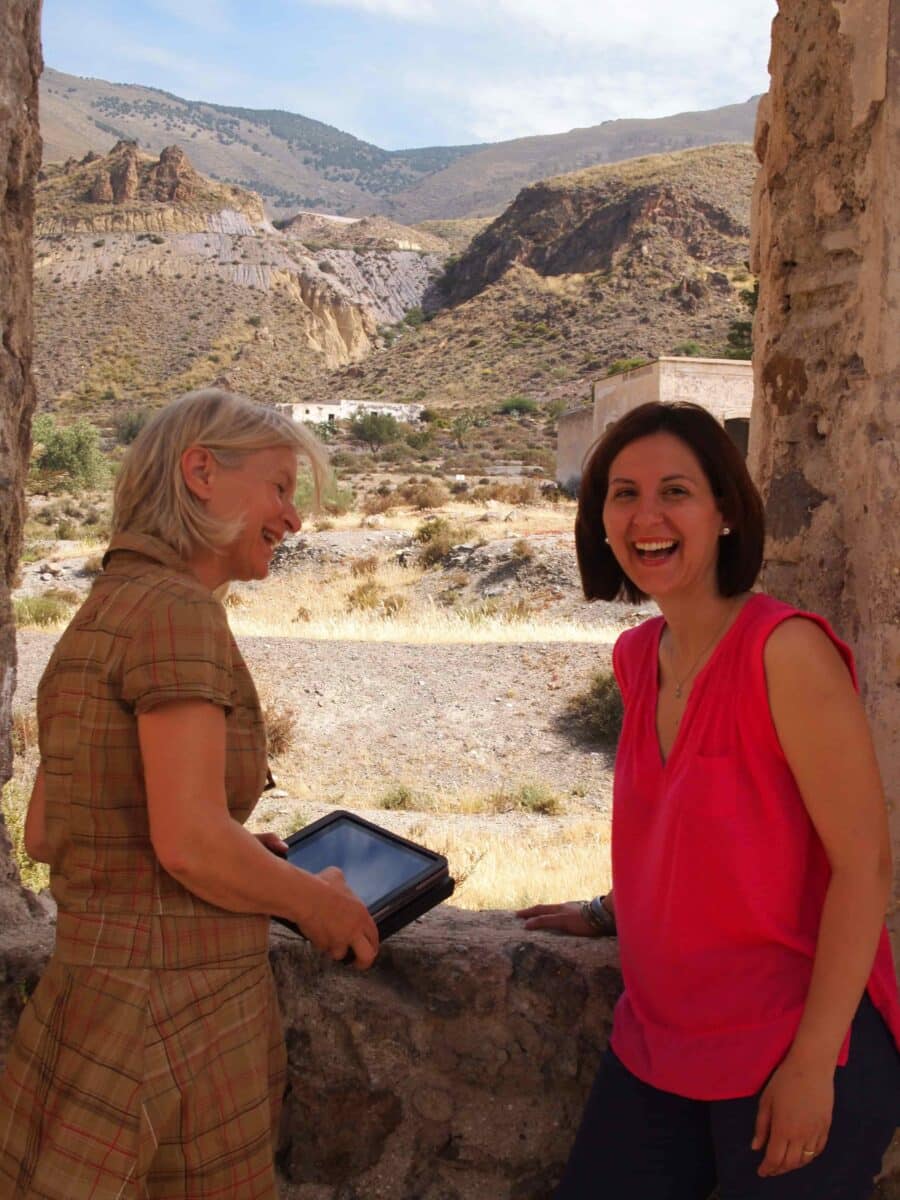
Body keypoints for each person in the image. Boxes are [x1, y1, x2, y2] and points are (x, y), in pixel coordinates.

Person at [0, 388, 379, 1200]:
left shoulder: (102, 610)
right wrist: (318, 905)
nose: (294, 517)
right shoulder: (179, 615)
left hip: (91, 1004)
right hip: (178, 1018)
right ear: (201, 472)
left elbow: (45, 832)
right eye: (280, 488)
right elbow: (190, 842)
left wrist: (249, 861)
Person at [518, 401, 900, 1199]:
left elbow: (863, 868)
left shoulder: (783, 652)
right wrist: (610, 907)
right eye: (623, 494)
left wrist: (811, 1064)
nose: (645, 516)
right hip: (660, 1041)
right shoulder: (636, 656)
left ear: (725, 511)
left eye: (675, 492)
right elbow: (691, 834)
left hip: (792, 1044)